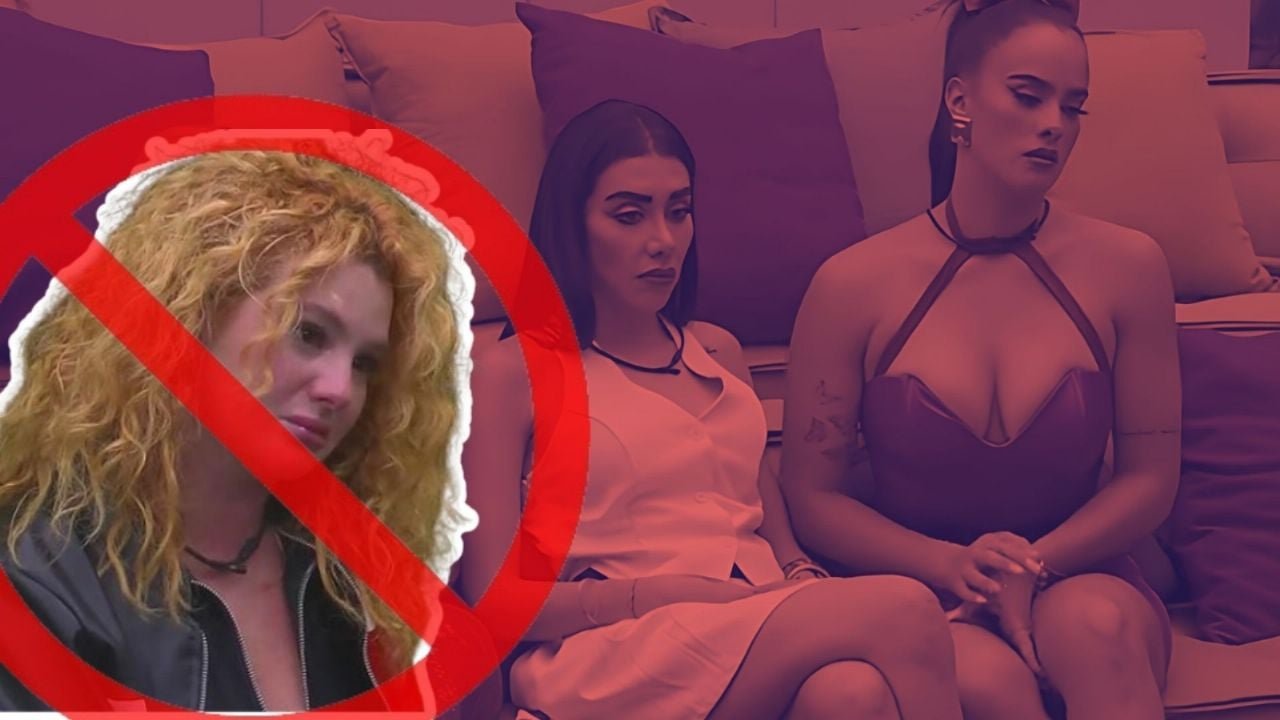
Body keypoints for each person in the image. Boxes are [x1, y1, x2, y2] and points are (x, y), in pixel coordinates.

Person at [459, 99, 964, 720]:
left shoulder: (717, 351)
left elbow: (764, 517)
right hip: (612, 647)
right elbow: (497, 600)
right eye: (629, 215)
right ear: (572, 225)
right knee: (907, 608)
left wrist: (799, 573)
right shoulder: (511, 373)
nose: (662, 241)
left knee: (849, 694)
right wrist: (667, 594)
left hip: (749, 618)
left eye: (679, 211)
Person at [780, 1, 1180, 718]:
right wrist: (953, 565)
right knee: (981, 678)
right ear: (959, 101)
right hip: (922, 585)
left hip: (1080, 571)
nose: (1054, 124)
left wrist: (1036, 563)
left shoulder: (1130, 266)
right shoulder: (851, 284)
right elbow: (813, 498)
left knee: (1094, 627)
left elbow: (1151, 478)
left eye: (1073, 107)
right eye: (1028, 96)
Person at [0, 150, 467, 712]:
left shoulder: (341, 576)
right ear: (190, 316)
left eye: (365, 363)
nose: (340, 389)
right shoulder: (40, 575)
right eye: (309, 333)